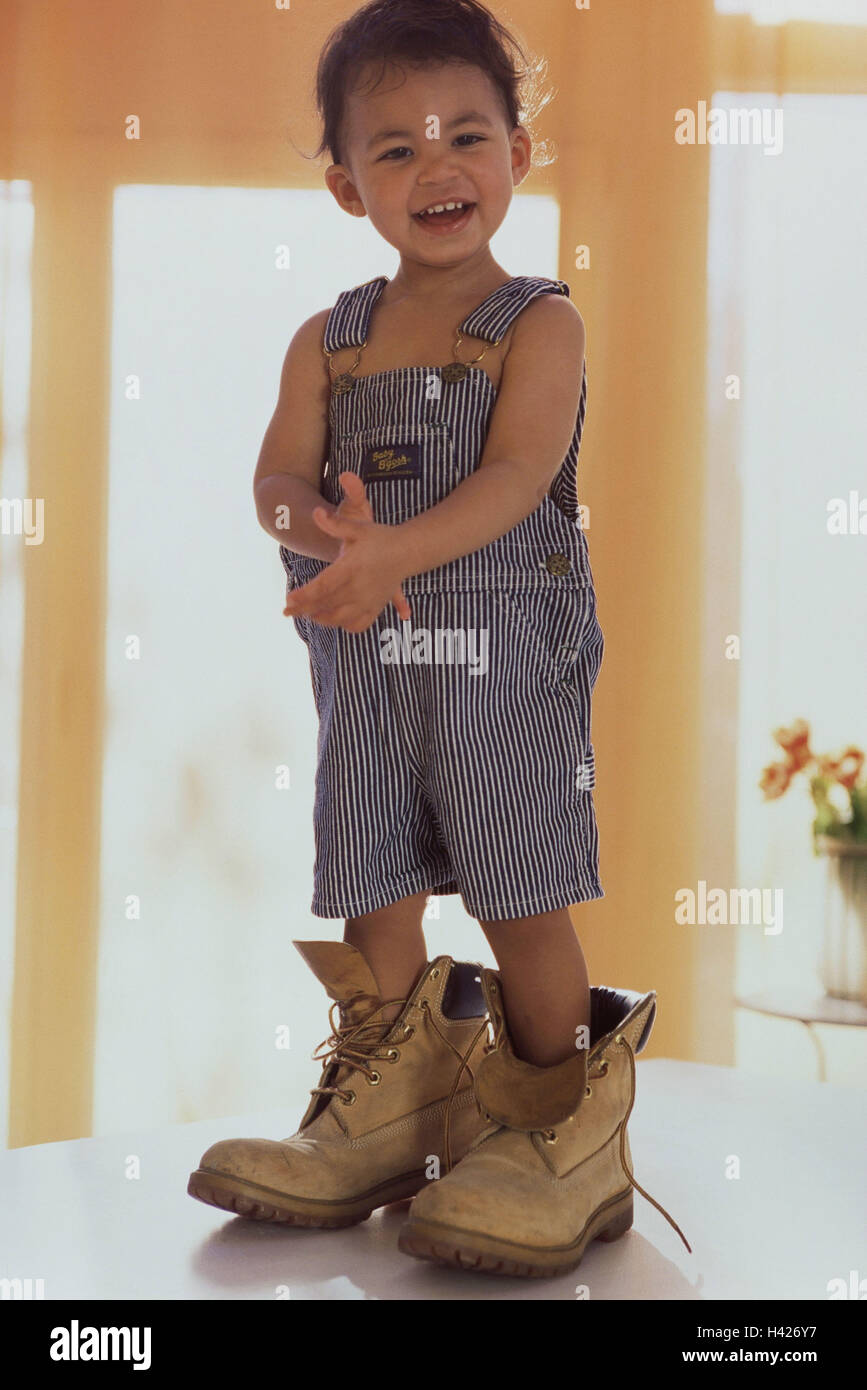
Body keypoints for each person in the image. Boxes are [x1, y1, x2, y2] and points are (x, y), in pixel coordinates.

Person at [188, 0, 689, 1278]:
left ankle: (556, 1130)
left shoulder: (538, 325)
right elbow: (274, 483)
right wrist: (314, 528)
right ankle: (392, 1114)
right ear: (347, 186)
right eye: (395, 148)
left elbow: (521, 474)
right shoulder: (328, 342)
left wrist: (387, 552)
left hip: (504, 666)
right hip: (367, 666)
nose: (436, 166)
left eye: (467, 134)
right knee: (372, 880)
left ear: (521, 154)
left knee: (523, 894)